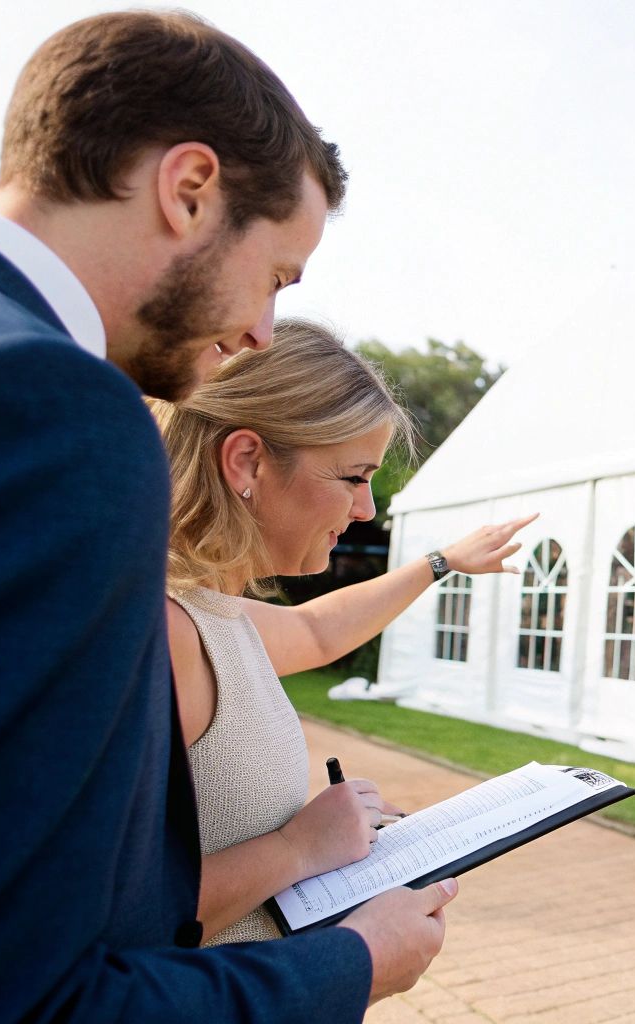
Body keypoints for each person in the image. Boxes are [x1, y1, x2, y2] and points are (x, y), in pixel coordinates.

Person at [0, 12, 451, 1021]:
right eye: (277, 276)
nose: (259, 329)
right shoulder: (41, 404)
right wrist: (349, 965)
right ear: (189, 189)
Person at [149, 319, 535, 944]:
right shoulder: (166, 638)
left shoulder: (215, 619)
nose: (367, 510)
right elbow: (100, 923)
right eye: (354, 477)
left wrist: (440, 563)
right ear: (247, 461)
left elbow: (319, 630)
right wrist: (298, 849)